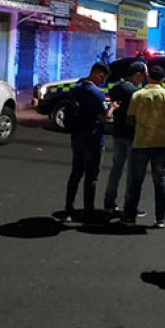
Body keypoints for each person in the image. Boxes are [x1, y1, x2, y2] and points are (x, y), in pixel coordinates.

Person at [123, 64, 165, 228]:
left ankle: (129, 217)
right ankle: (160, 219)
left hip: (141, 141)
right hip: (161, 142)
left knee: (136, 181)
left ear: (148, 77)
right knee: (160, 181)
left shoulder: (138, 95)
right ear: (163, 79)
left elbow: (129, 118)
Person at [65, 63, 116, 221]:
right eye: (103, 78)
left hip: (77, 136)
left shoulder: (77, 87)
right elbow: (105, 117)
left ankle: (69, 207)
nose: (103, 81)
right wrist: (113, 108)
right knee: (92, 176)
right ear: (99, 74)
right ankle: (88, 210)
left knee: (76, 173)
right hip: (93, 138)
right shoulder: (97, 93)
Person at [103, 62, 148, 215]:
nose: (143, 79)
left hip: (118, 132)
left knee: (116, 168)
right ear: (137, 74)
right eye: (142, 76)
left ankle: (109, 201)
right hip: (131, 134)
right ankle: (130, 206)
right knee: (132, 172)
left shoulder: (116, 87)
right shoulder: (135, 92)